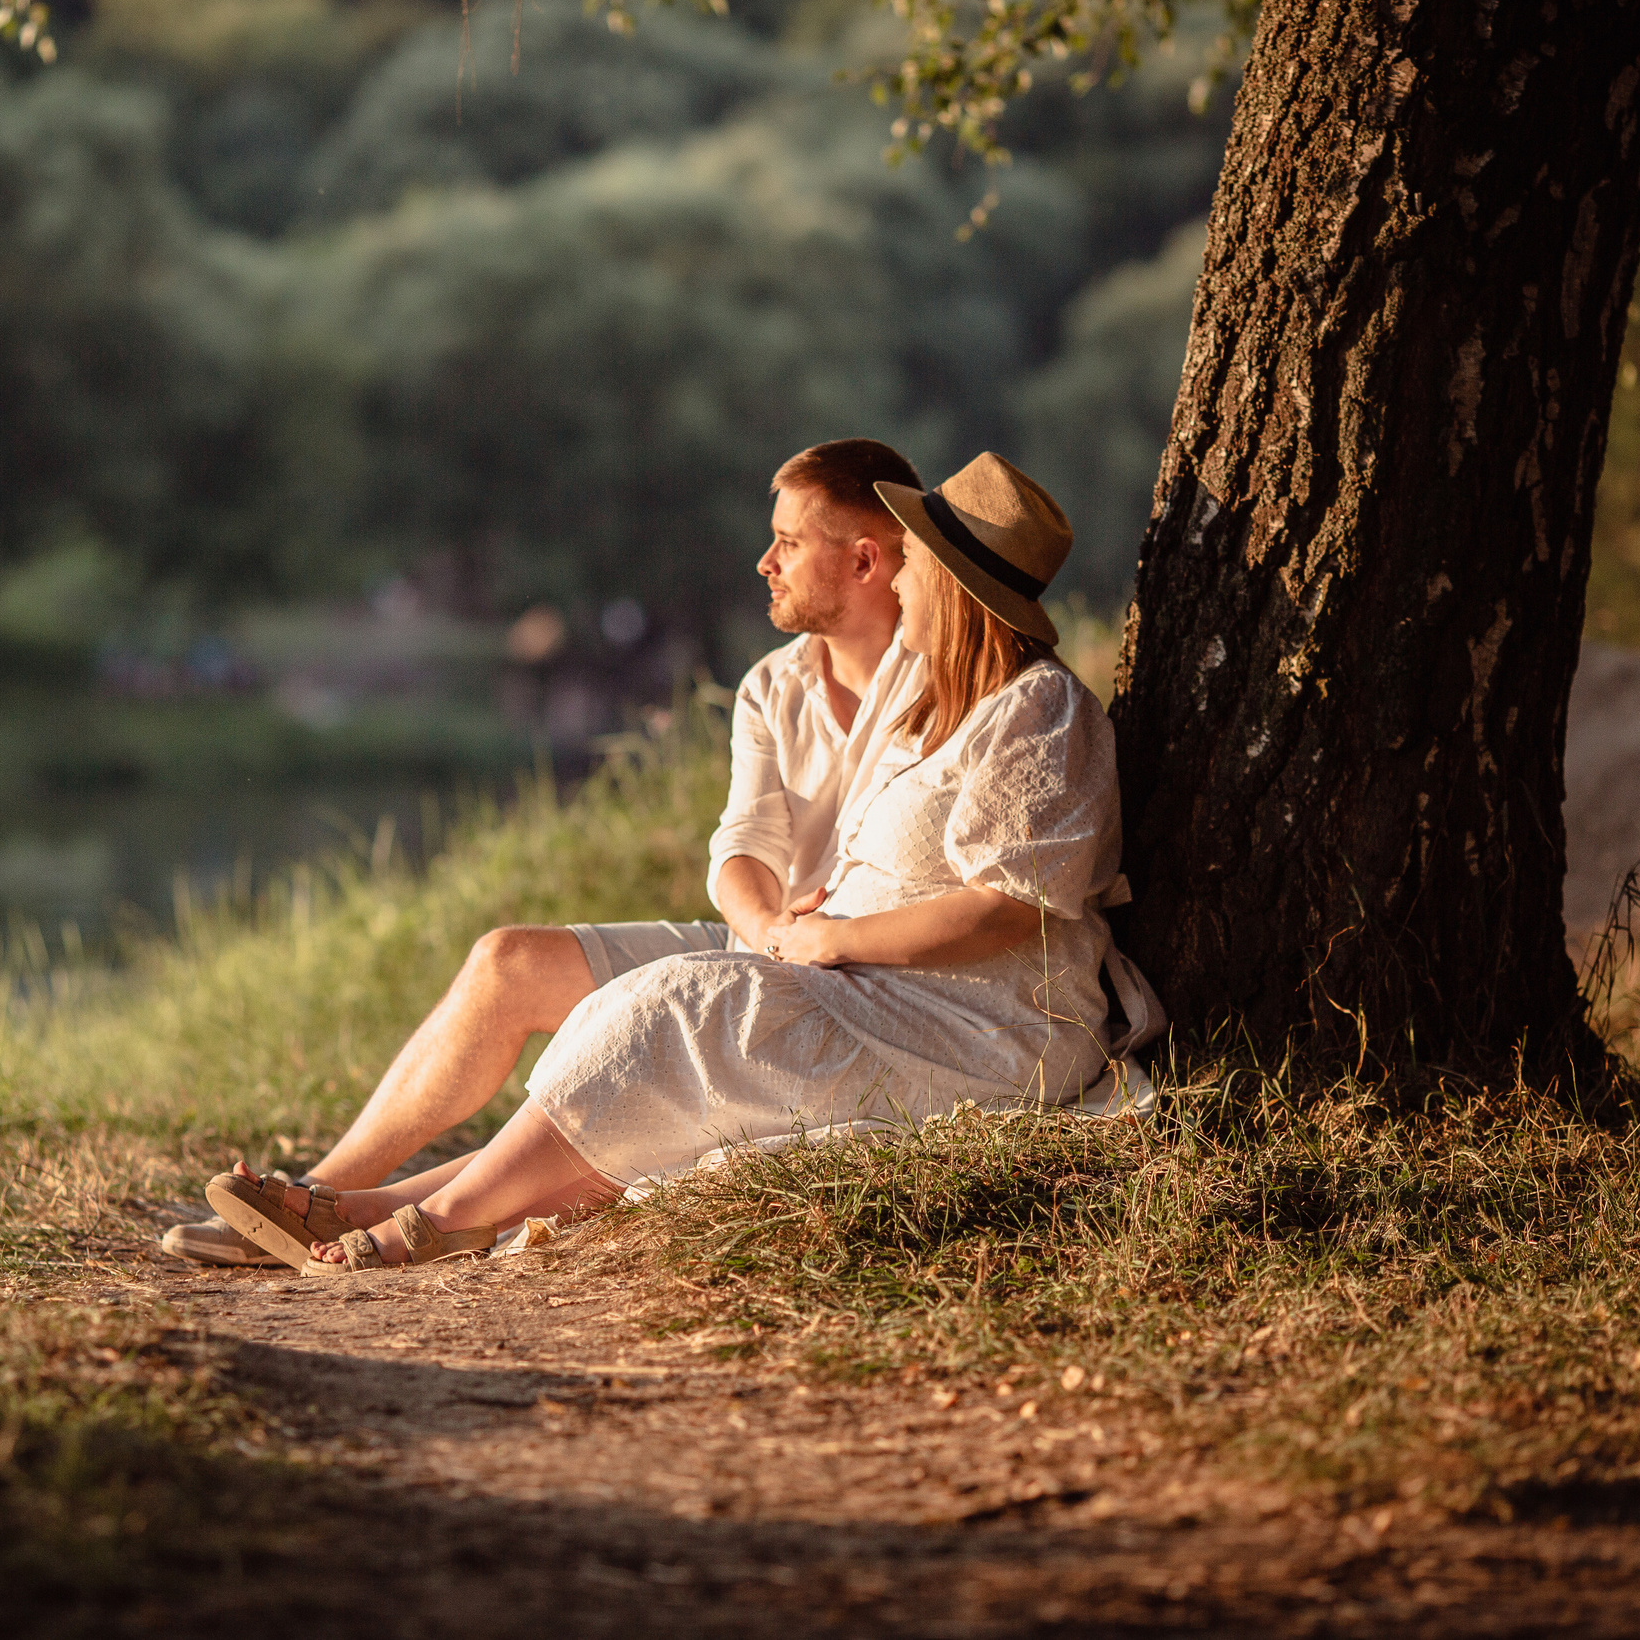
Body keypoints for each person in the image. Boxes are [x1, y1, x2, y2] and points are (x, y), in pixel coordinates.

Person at [208, 451, 1153, 1272]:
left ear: (946, 583)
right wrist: (792, 934)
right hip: (854, 963)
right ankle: (360, 1202)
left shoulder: (1030, 707)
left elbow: (1007, 906)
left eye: (913, 564)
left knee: (677, 1008)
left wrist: (831, 937)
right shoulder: (897, 699)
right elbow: (744, 849)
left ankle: (436, 1218)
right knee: (621, 995)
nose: (899, 578)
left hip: (980, 1012)